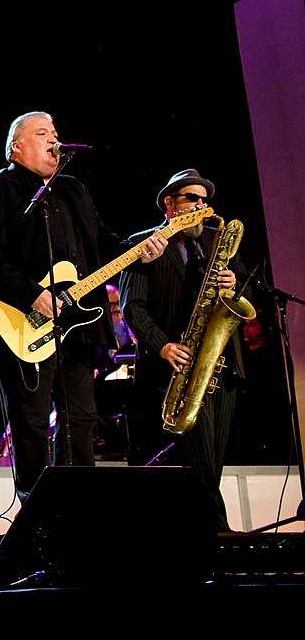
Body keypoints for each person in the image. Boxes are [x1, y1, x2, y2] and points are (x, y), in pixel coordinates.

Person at [0, 111, 167, 502]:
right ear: (16, 147)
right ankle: (36, 521)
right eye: (43, 134)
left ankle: (77, 511)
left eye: (56, 133)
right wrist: (30, 294)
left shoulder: (74, 190)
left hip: (79, 324)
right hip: (23, 324)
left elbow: (102, 243)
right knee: (32, 423)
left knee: (80, 419)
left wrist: (138, 251)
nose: (54, 140)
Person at [118, 168, 246, 529]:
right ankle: (220, 536)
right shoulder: (145, 242)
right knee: (201, 461)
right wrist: (163, 346)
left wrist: (234, 283)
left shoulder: (218, 240)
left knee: (212, 462)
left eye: (204, 200)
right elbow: (131, 307)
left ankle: (203, 536)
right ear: (170, 204)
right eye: (193, 199)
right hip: (180, 364)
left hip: (222, 365)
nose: (201, 207)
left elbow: (246, 298)